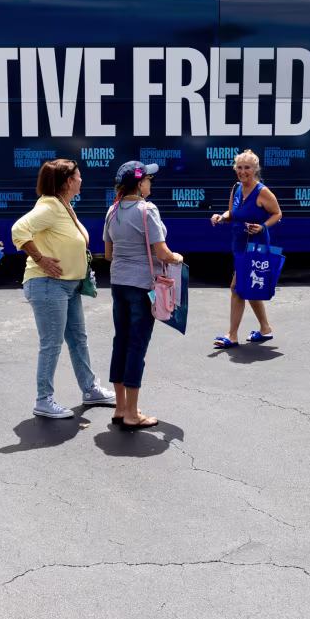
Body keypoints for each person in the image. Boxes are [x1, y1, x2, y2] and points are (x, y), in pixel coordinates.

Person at [10, 159, 115, 419]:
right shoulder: (50, 206)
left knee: (78, 339)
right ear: (68, 181)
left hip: (68, 286)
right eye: (78, 176)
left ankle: (90, 390)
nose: (81, 180)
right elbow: (19, 229)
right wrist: (40, 258)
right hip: (48, 286)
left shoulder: (63, 206)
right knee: (52, 343)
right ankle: (43, 399)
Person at [103, 161, 184, 430]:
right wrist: (177, 257)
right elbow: (162, 253)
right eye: (149, 179)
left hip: (118, 284)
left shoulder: (112, 211)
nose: (151, 183)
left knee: (121, 342)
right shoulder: (147, 210)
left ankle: (120, 407)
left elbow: (108, 255)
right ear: (139, 184)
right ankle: (132, 415)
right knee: (137, 345)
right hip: (141, 287)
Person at [209, 149, 283, 348]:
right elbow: (232, 213)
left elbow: (277, 214)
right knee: (247, 288)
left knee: (237, 288)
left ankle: (232, 335)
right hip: (239, 243)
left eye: (247, 168)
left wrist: (263, 226)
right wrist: (221, 217)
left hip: (255, 246)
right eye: (239, 168)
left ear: (255, 169)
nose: (243, 172)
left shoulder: (262, 191)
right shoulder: (236, 188)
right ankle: (265, 329)